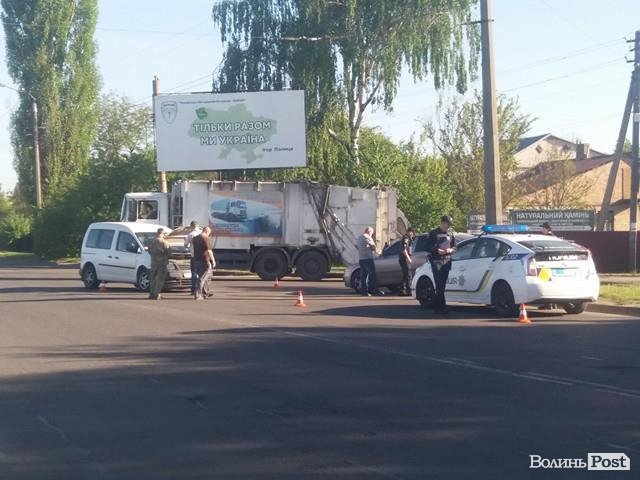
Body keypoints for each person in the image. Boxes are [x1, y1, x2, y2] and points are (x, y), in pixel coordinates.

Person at [426, 215, 456, 314]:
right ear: (442, 223)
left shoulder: (450, 234)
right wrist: (437, 250)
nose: (448, 226)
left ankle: (437, 305)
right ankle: (441, 307)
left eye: (450, 225)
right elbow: (427, 247)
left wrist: (450, 250)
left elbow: (455, 247)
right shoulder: (433, 233)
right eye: (447, 224)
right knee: (439, 284)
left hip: (447, 260)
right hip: (437, 261)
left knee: (442, 285)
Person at [357, 227, 383, 296]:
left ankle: (364, 292)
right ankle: (376, 290)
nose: (372, 234)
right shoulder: (368, 237)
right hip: (368, 259)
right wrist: (375, 247)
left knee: (364, 276)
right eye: (372, 233)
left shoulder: (359, 237)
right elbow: (374, 247)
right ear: (369, 232)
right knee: (373, 275)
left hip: (361, 259)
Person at [192, 226, 216, 300]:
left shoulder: (195, 238)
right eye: (209, 233)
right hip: (204, 260)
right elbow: (209, 251)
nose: (209, 235)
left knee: (203, 277)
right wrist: (213, 261)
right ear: (207, 231)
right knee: (202, 278)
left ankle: (205, 293)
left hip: (197, 259)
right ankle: (198, 294)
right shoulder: (205, 238)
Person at [148, 227, 171, 300]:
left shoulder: (152, 241)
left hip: (154, 262)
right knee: (160, 279)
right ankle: (157, 294)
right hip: (162, 263)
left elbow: (149, 251)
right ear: (162, 233)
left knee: (153, 278)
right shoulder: (164, 242)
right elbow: (168, 252)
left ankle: (152, 293)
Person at [184, 220, 202, 295]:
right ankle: (201, 289)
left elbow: (186, 244)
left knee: (194, 273)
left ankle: (194, 289)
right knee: (201, 273)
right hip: (202, 256)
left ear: (191, 226)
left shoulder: (191, 234)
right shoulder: (201, 233)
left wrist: (188, 246)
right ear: (197, 225)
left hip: (194, 256)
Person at [398, 227, 415, 296]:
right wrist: (408, 258)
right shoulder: (406, 238)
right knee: (408, 275)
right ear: (409, 232)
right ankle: (408, 290)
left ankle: (402, 290)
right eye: (412, 233)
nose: (412, 234)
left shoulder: (408, 238)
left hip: (404, 258)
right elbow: (404, 249)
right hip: (404, 258)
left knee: (405, 275)